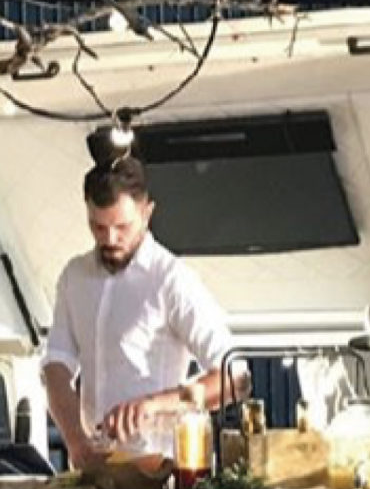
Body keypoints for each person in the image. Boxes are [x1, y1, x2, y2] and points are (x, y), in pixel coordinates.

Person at [43, 154, 237, 471]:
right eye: (98, 226)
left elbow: (236, 377)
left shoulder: (172, 279)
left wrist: (153, 406)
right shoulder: (73, 277)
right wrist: (75, 440)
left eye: (122, 227)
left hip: (161, 471)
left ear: (147, 213)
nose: (110, 239)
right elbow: (56, 367)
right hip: (94, 468)